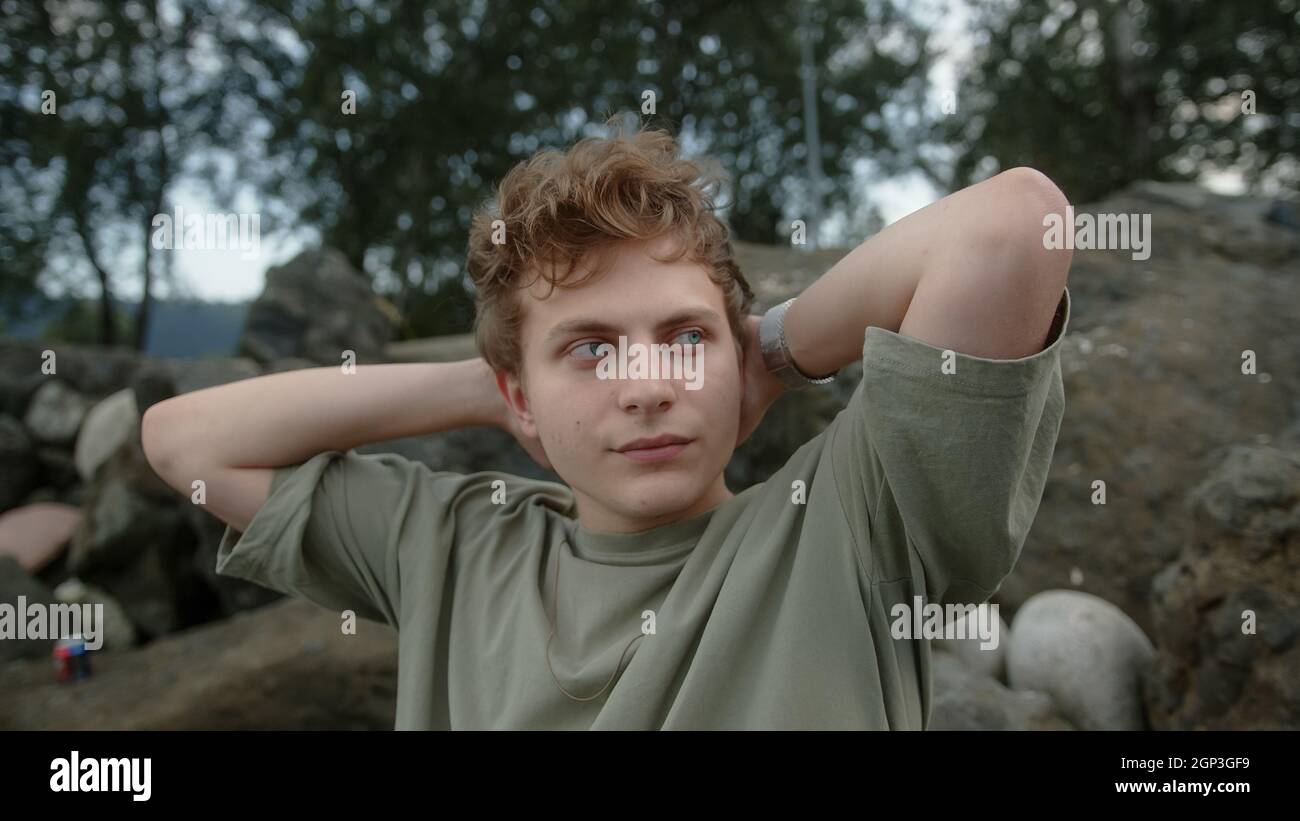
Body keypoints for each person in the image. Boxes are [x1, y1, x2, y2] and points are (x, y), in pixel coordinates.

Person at [142, 117, 1072, 729]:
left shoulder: (855, 519)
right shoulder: (451, 546)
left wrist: (776, 353)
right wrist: (488, 389)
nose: (645, 386)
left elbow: (1015, 226)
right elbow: (183, 444)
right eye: (589, 349)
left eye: (684, 337)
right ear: (518, 394)